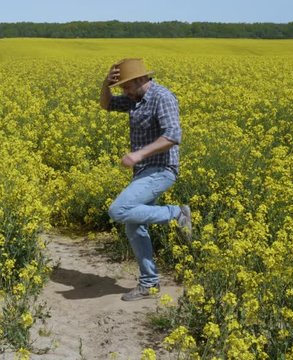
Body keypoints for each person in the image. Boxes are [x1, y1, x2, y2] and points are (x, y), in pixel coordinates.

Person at [100, 58, 192, 301]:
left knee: (119, 210)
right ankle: (149, 283)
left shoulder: (163, 97)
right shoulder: (135, 99)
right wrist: (105, 85)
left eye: (126, 87)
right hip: (144, 172)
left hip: (161, 169)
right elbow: (107, 105)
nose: (124, 93)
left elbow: (173, 135)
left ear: (140, 80)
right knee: (134, 224)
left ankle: (177, 214)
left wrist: (139, 154)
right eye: (121, 88)